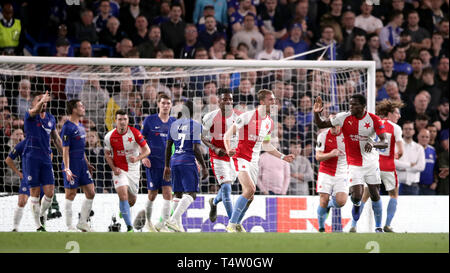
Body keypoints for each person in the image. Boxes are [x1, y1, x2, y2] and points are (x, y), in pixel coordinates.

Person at [313, 94, 388, 232]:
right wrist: (317, 113)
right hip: (353, 164)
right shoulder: (344, 117)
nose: (351, 107)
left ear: (363, 106)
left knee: (375, 194)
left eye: (354, 105)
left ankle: (378, 227)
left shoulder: (374, 119)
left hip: (371, 163)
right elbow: (321, 124)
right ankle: (357, 204)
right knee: (356, 196)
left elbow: (384, 142)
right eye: (350, 104)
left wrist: (373, 144)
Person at [223, 89, 295, 232]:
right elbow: (227, 135)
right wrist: (228, 149)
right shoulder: (247, 116)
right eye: (271, 100)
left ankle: (236, 224)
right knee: (250, 189)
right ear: (262, 102)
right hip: (240, 157)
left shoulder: (269, 123)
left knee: (250, 197)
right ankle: (231, 224)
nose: (274, 102)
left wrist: (282, 156)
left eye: (274, 99)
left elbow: (266, 144)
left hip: (253, 161)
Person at [350, 99, 405, 232]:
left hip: (373, 166)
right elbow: (401, 151)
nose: (399, 116)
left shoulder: (373, 124)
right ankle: (386, 225)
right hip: (388, 166)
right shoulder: (395, 128)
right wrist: (398, 155)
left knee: (365, 195)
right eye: (397, 113)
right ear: (390, 113)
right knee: (393, 194)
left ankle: (353, 225)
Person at [163, 100, 209, 232]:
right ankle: (172, 220)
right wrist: (204, 166)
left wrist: (167, 166)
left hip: (174, 161)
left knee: (177, 193)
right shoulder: (195, 125)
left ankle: (177, 226)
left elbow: (168, 146)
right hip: (188, 161)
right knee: (192, 193)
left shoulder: (173, 125)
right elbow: (195, 148)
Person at [134, 94, 176, 232]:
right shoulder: (150, 120)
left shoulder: (174, 122)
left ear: (171, 105)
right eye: (163, 103)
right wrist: (143, 156)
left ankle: (162, 224)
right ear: (158, 104)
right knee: (152, 194)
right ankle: (147, 222)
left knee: (168, 193)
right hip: (152, 162)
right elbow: (141, 139)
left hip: (168, 164)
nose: (165, 105)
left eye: (168, 103)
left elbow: (178, 143)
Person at [104, 109, 151, 232]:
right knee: (122, 194)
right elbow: (107, 154)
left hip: (134, 170)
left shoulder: (135, 133)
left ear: (128, 120)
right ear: (116, 121)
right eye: (120, 119)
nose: (122, 122)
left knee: (132, 200)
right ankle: (129, 227)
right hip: (119, 170)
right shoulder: (109, 136)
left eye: (125, 119)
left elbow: (147, 150)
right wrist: (114, 168)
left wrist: (137, 158)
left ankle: (124, 212)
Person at [23, 91, 63, 232]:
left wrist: (65, 156)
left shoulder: (51, 118)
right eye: (40, 100)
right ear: (33, 103)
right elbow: (34, 111)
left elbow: (56, 139)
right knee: (34, 191)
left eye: (45, 100)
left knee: (50, 192)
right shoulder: (29, 116)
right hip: (31, 158)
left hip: (46, 158)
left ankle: (39, 214)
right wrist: (41, 100)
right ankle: (38, 226)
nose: (44, 102)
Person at [201, 90, 240, 224]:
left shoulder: (239, 118)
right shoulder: (210, 117)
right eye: (225, 99)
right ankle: (233, 224)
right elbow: (202, 136)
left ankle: (214, 201)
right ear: (219, 101)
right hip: (217, 157)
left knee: (225, 189)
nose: (228, 102)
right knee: (227, 188)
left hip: (234, 157)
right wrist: (214, 148)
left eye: (230, 99)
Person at [60, 100, 96, 232]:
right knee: (71, 194)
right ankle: (70, 226)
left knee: (91, 192)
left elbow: (81, 149)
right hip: (72, 164)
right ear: (74, 109)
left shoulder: (81, 126)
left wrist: (87, 164)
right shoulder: (67, 127)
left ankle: (82, 222)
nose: (83, 108)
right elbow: (65, 150)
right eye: (81, 106)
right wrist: (67, 168)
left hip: (82, 164)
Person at [315, 123, 348, 233]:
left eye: (335, 126)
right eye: (331, 126)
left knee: (341, 202)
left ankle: (330, 205)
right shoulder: (323, 136)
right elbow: (318, 156)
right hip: (326, 172)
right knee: (323, 200)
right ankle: (321, 228)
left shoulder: (348, 135)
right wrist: (331, 154)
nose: (333, 128)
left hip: (342, 173)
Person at [395, 121, 426, 195]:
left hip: (414, 185)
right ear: (402, 131)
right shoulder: (395, 146)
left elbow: (421, 167)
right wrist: (409, 165)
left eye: (410, 129)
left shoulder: (419, 148)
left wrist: (403, 168)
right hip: (398, 185)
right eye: (405, 129)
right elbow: (393, 163)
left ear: (413, 131)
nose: (408, 131)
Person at [418, 128, 438, 195]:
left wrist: (435, 182)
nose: (424, 139)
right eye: (422, 137)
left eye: (427, 137)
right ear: (418, 137)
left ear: (429, 138)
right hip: (416, 186)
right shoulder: (413, 149)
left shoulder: (432, 150)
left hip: (430, 187)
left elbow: (435, 168)